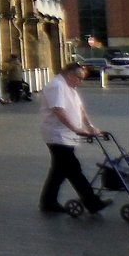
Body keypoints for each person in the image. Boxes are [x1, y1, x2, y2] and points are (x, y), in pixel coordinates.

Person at [38, 63, 110, 213]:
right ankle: (92, 203)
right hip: (57, 135)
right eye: (79, 78)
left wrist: (89, 126)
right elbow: (58, 110)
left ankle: (48, 202)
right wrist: (76, 129)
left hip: (66, 136)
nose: (80, 82)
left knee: (59, 171)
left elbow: (80, 108)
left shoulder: (70, 87)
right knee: (73, 169)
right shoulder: (57, 86)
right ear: (70, 75)